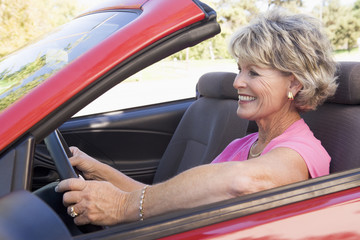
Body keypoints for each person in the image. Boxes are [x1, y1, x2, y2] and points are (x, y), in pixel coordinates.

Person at [55, 9, 338, 226]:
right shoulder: (244, 144)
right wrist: (98, 170)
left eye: (253, 72)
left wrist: (121, 207)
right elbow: (163, 199)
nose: (238, 82)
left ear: (294, 84)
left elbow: (244, 184)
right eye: (239, 69)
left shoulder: (301, 152)